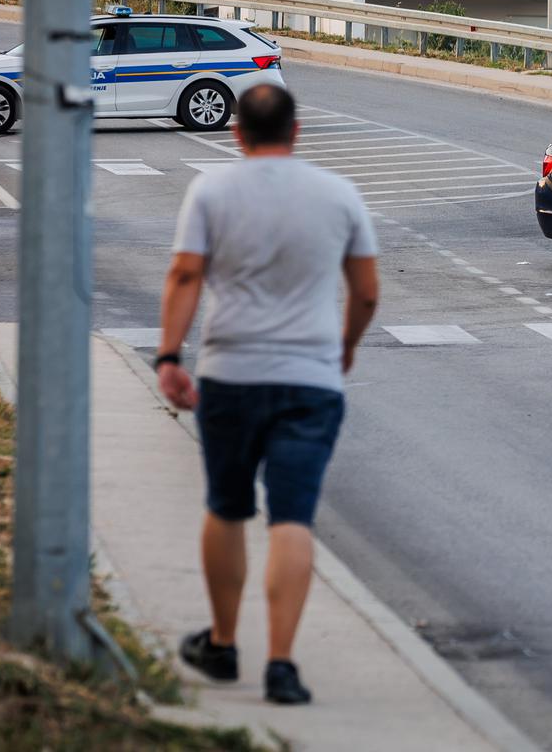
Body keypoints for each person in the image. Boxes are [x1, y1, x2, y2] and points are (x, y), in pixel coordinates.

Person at [155, 83, 379, 706]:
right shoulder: (338, 194)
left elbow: (185, 274)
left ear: (237, 134)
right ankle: (281, 665)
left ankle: (224, 645)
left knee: (227, 507)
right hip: (311, 381)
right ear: (296, 131)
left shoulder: (211, 190)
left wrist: (169, 356)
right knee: (292, 517)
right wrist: (345, 346)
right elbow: (365, 292)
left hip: (231, 375)